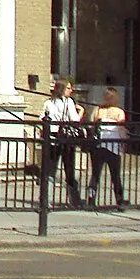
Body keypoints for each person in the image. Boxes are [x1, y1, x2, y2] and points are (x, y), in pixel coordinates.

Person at [41, 78, 86, 206]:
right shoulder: (69, 102)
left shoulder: (49, 103)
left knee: (50, 170)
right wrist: (81, 112)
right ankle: (74, 199)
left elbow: (42, 118)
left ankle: (45, 199)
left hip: (52, 138)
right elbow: (75, 119)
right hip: (66, 139)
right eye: (68, 88)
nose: (71, 90)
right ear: (62, 89)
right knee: (69, 169)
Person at [86, 86, 128, 209]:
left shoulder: (97, 110)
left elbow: (90, 125)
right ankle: (119, 201)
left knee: (95, 175)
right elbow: (121, 128)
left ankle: (91, 200)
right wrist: (124, 142)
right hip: (113, 145)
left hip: (98, 146)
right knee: (115, 175)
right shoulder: (118, 112)